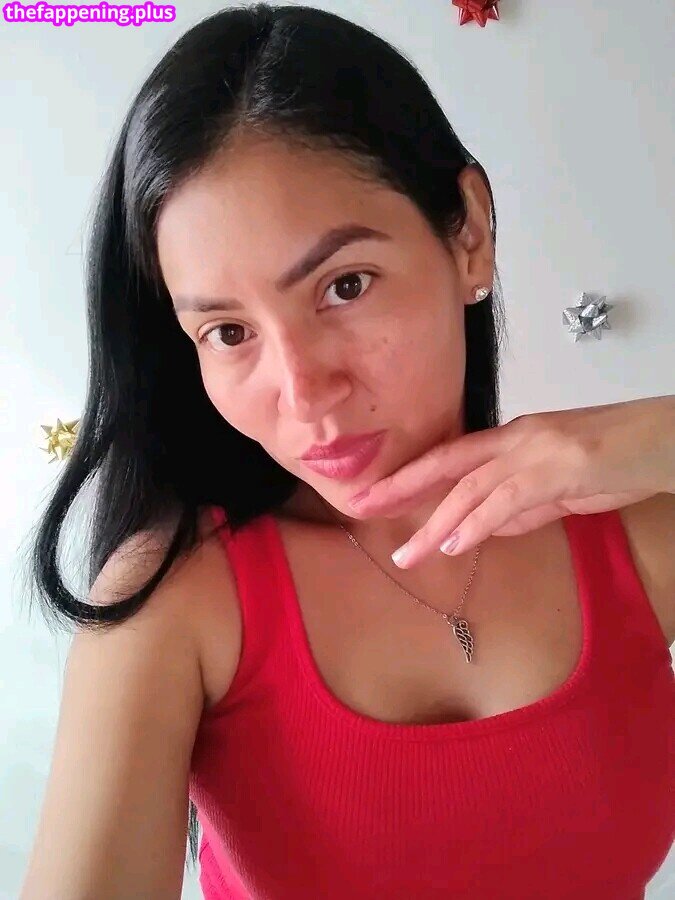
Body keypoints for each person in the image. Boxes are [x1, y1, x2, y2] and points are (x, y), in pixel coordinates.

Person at [19, 4, 674, 899]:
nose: (301, 392)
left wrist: (656, 435)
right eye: (228, 332)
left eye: (345, 285)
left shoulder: (630, 530)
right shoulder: (177, 598)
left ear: (468, 234)